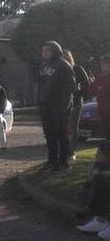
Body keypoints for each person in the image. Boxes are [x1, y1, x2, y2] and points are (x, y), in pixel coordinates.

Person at [37, 41, 76, 171]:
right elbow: (40, 86)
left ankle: (63, 161)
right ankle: (51, 160)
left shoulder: (64, 66)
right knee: (49, 135)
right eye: (43, 50)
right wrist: (39, 102)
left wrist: (64, 105)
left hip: (59, 106)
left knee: (61, 134)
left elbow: (70, 87)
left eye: (47, 50)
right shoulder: (42, 66)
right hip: (45, 106)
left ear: (55, 51)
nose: (45, 53)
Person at [76, 141, 110, 241]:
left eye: (99, 154)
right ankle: (100, 220)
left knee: (101, 179)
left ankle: (90, 211)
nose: (96, 156)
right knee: (97, 181)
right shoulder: (99, 165)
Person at [63, 50, 91, 158]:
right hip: (64, 101)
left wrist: (77, 94)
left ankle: (71, 150)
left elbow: (86, 84)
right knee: (64, 126)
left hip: (76, 101)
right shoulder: (61, 71)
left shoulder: (77, 69)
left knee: (72, 126)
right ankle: (65, 149)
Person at [94, 55, 110, 142]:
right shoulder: (101, 76)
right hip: (103, 110)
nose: (102, 67)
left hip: (108, 110)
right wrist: (99, 88)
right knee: (106, 134)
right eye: (102, 65)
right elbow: (92, 88)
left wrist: (99, 88)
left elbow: (104, 91)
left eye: (104, 64)